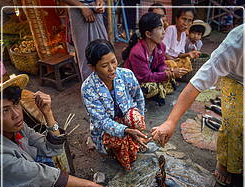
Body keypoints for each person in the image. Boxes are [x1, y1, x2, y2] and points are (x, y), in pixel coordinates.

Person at [0, 74, 110, 187]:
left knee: (43, 159)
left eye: (16, 104)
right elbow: (42, 175)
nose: (16, 114)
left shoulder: (17, 127)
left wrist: (48, 113)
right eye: (4, 110)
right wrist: (91, 185)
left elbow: (51, 148)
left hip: (27, 178)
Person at [151, 5, 245, 186]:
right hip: (235, 79)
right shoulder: (235, 43)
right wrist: (171, 121)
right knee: (234, 124)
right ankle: (224, 160)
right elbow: (198, 81)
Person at [81, 39, 148, 171]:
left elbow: (138, 97)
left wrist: (139, 119)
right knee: (120, 138)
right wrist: (126, 130)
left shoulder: (126, 75)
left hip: (126, 116)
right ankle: (118, 151)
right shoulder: (88, 88)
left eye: (113, 61)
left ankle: (133, 142)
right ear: (92, 67)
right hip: (106, 127)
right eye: (105, 65)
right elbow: (101, 121)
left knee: (135, 120)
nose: (112, 69)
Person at [123, 12, 188, 106]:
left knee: (169, 71)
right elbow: (146, 77)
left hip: (149, 75)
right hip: (136, 81)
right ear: (148, 34)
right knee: (152, 86)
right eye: (160, 28)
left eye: (163, 27)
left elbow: (161, 64)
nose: (164, 32)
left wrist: (168, 71)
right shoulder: (137, 52)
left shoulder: (160, 46)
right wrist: (169, 74)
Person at [63, 0, 108, 82]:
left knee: (104, 51)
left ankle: (107, 84)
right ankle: (90, 89)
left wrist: (100, 2)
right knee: (85, 55)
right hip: (77, 11)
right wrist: (82, 7)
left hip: (95, 10)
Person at [163, 8, 200, 73]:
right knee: (172, 64)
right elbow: (163, 52)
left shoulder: (183, 34)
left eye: (189, 20)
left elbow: (179, 54)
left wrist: (189, 54)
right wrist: (173, 60)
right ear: (176, 19)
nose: (186, 23)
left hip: (174, 60)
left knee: (187, 61)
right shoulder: (171, 29)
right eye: (184, 19)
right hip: (165, 60)